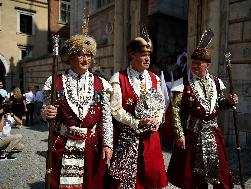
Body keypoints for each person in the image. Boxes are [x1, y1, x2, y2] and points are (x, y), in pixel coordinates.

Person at [42, 34, 113, 189]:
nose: (85, 59)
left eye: (88, 55)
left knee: (90, 184)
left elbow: (106, 118)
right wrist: (46, 113)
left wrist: (108, 144)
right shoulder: (55, 81)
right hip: (63, 143)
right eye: (81, 55)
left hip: (91, 145)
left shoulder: (102, 84)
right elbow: (45, 110)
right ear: (71, 57)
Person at [167, 47, 238, 189]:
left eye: (199, 63)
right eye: (193, 62)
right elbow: (175, 111)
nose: (195, 66)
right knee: (193, 176)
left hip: (213, 134)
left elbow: (219, 104)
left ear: (208, 65)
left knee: (221, 172)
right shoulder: (182, 84)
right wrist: (179, 134)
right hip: (191, 135)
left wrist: (229, 102)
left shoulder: (216, 82)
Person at [109, 36, 168, 188]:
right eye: (143, 54)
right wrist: (136, 122)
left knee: (151, 175)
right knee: (128, 180)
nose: (147, 58)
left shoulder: (155, 79)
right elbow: (116, 110)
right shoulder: (119, 78)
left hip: (151, 138)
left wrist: (157, 118)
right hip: (127, 138)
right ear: (132, 54)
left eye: (149, 54)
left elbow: (161, 105)